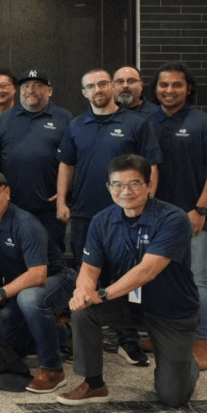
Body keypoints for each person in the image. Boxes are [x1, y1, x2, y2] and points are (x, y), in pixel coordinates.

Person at [59, 154, 199, 407]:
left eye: (134, 183)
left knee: (172, 396)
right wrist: (83, 291)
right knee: (83, 311)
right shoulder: (102, 221)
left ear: (148, 185)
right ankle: (94, 384)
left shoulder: (174, 219)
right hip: (128, 303)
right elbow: (89, 269)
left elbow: (148, 270)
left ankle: (185, 362)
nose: (126, 191)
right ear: (109, 188)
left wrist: (101, 295)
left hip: (171, 309)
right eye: (118, 185)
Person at [147, 62, 207, 371]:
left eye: (176, 85)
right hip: (153, 217)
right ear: (155, 89)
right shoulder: (147, 122)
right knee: (156, 276)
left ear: (188, 88)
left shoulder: (205, 124)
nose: (169, 90)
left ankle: (202, 337)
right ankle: (164, 333)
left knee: (196, 278)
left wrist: (201, 210)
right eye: (163, 85)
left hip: (190, 214)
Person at [0, 171, 74, 393]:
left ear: (8, 194)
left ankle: (53, 369)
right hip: (22, 285)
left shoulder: (25, 224)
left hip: (58, 280)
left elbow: (38, 274)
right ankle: (67, 335)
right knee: (10, 342)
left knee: (29, 299)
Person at [56, 68, 162, 267]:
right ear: (84, 92)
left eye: (103, 84)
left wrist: (147, 202)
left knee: (126, 272)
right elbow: (66, 164)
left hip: (125, 211)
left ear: (112, 87)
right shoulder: (76, 125)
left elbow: (152, 166)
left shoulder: (136, 124)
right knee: (86, 269)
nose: (97, 89)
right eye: (90, 86)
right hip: (84, 213)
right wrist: (61, 201)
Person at [0, 68, 72, 252]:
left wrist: (66, 192)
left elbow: (75, 160)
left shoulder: (64, 118)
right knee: (14, 258)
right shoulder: (5, 119)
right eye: (26, 86)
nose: (31, 90)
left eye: (37, 85)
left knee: (51, 258)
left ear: (49, 91)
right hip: (12, 207)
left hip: (49, 208)